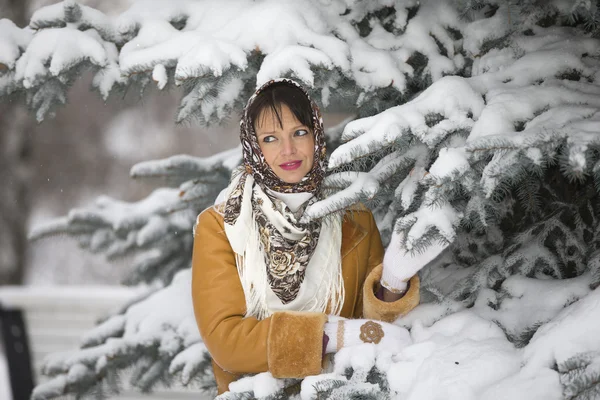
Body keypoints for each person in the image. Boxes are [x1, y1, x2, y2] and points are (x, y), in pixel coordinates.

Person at [191, 79, 447, 395]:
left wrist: (392, 283)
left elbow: (375, 331)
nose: (288, 150)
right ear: (254, 148)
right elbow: (226, 343)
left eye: (299, 133)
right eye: (271, 139)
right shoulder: (221, 226)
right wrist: (330, 335)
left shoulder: (353, 218)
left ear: (316, 137)